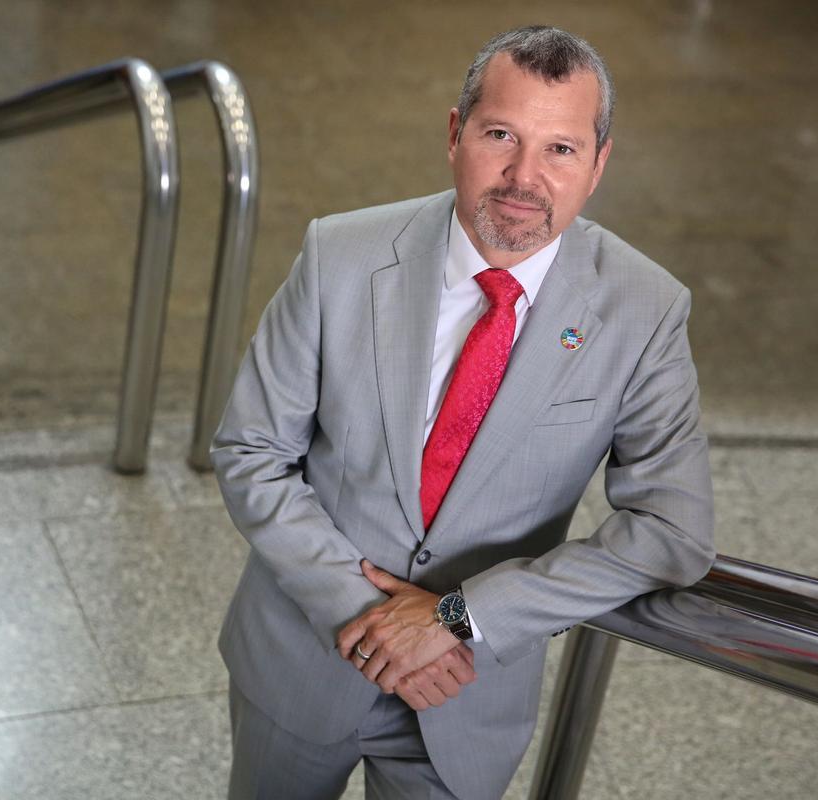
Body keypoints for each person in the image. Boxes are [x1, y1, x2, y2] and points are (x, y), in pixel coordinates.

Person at [211, 25, 715, 800]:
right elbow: (251, 450)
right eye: (501, 135)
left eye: (561, 149)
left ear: (599, 164)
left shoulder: (645, 310)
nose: (524, 177)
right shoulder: (340, 255)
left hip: (468, 691)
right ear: (455, 133)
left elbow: (673, 533)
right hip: (303, 659)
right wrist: (373, 617)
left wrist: (455, 619)